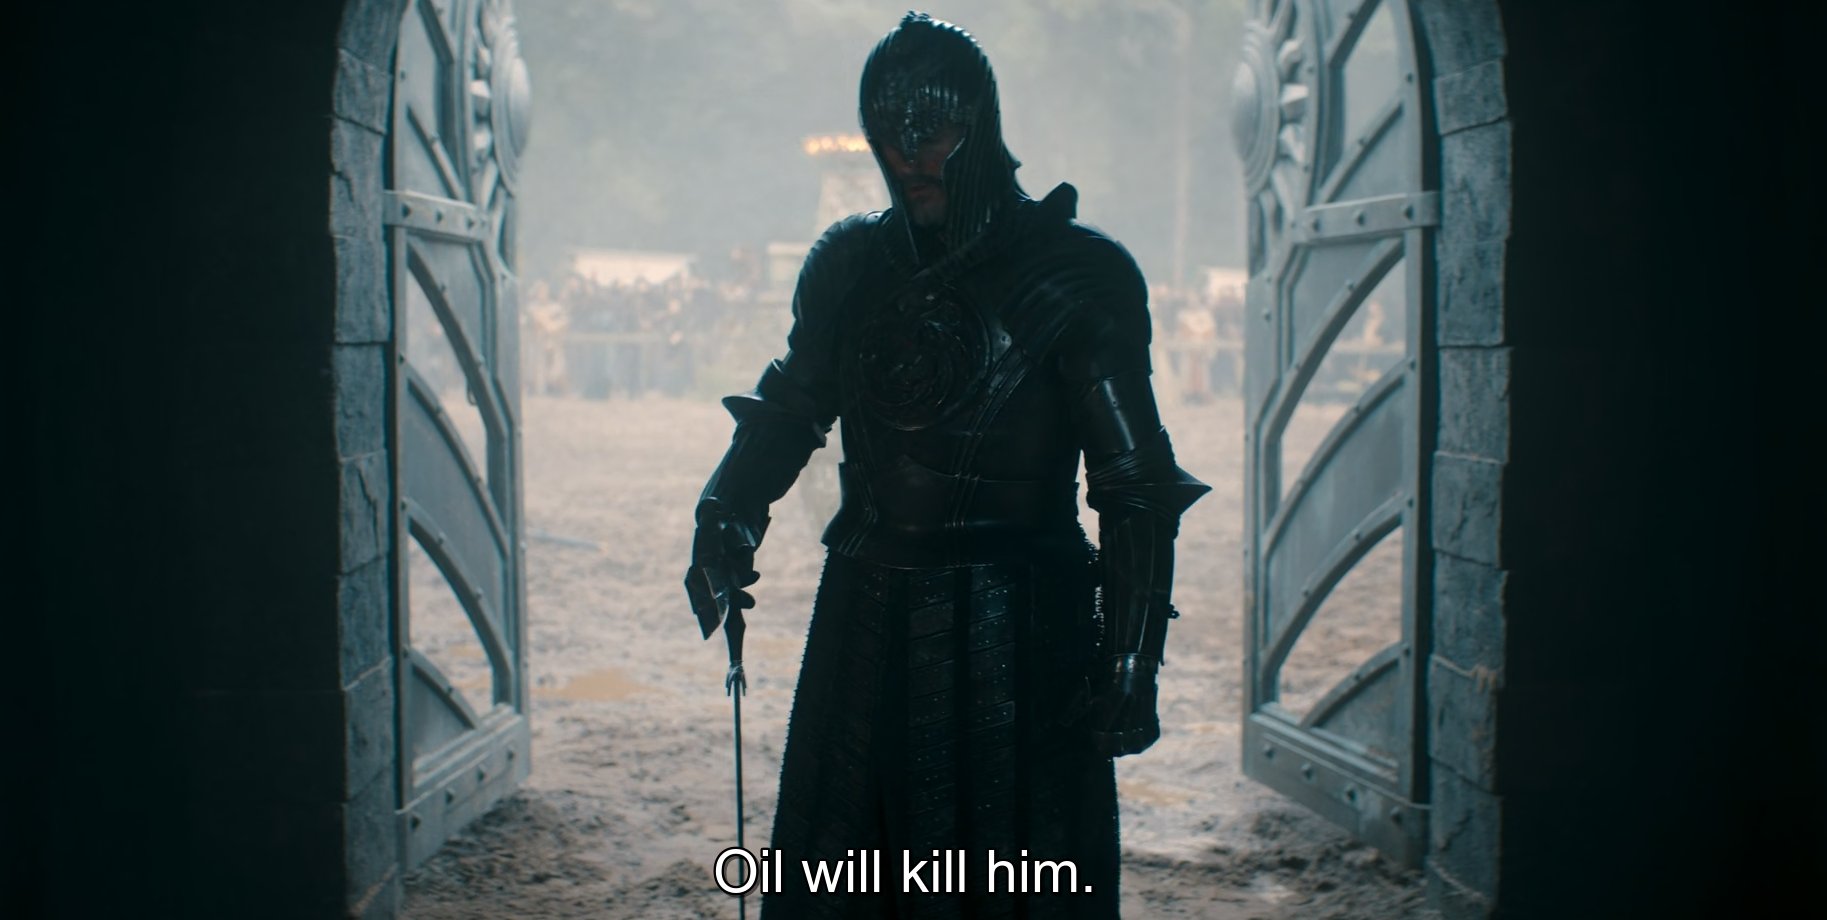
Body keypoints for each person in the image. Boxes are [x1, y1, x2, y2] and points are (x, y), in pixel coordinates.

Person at [685, 13, 1207, 917]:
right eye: (887, 131)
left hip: (1022, 623)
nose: (905, 153)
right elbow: (792, 406)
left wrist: (1131, 658)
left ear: (980, 124)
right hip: (864, 608)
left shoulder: (1075, 275)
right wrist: (727, 505)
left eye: (930, 129)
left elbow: (1132, 486)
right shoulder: (851, 263)